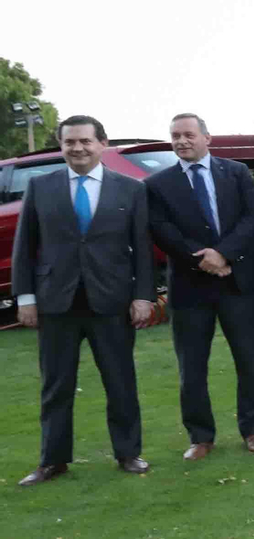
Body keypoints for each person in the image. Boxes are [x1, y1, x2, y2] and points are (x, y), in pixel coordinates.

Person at [13, 115, 155, 486]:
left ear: (101, 144)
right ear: (61, 147)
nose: (77, 148)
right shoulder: (40, 187)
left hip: (112, 303)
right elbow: (24, 247)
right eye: (69, 142)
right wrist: (25, 298)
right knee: (55, 386)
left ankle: (128, 453)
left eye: (85, 142)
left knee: (120, 383)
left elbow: (142, 249)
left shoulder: (131, 189)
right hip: (55, 303)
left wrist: (143, 296)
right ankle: (52, 461)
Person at [146, 113, 254, 460]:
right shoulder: (158, 184)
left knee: (250, 361)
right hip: (189, 286)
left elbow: (250, 219)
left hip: (237, 281)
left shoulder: (236, 173)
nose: (181, 141)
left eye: (188, 134)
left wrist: (223, 254)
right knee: (192, 367)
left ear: (207, 138)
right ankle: (200, 437)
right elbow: (162, 230)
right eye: (175, 136)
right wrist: (201, 259)